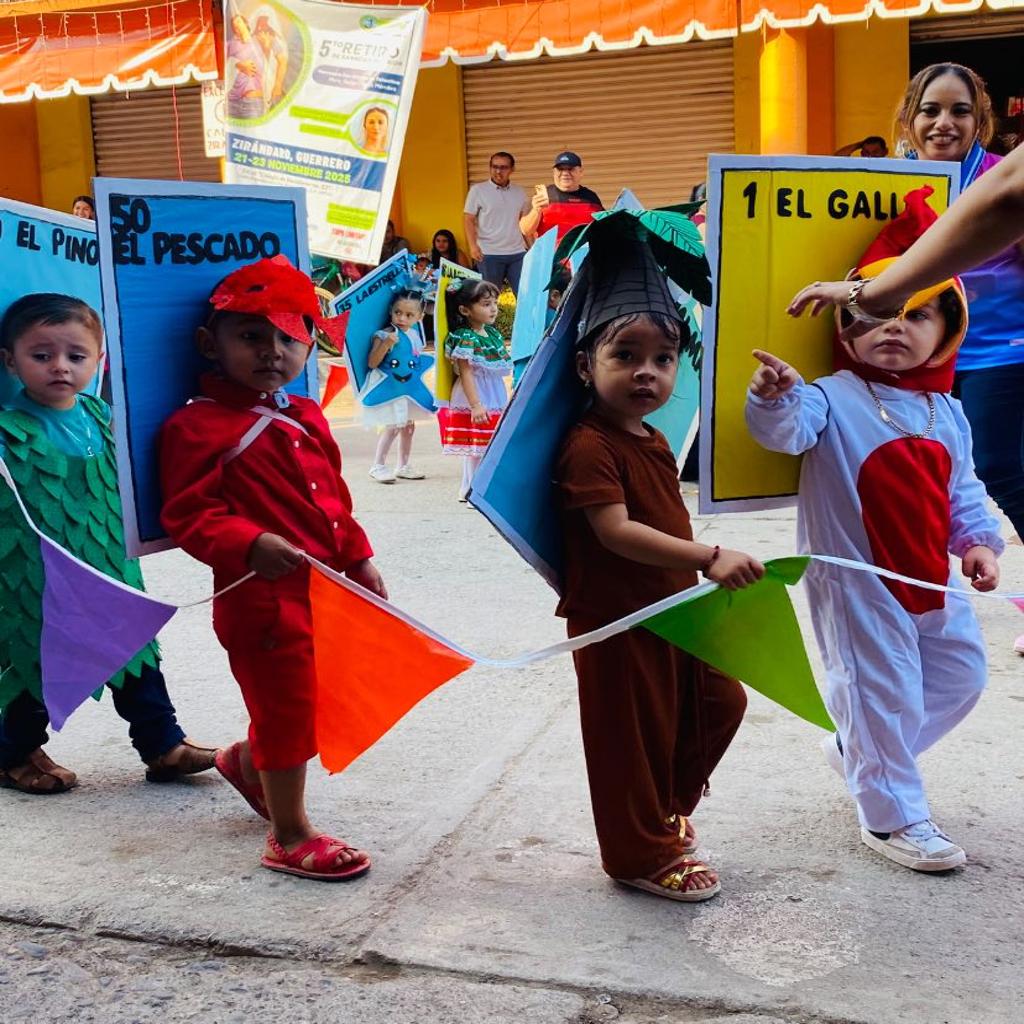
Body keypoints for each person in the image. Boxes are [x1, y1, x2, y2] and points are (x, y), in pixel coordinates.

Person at [750, 191, 1003, 871]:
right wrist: (773, 396)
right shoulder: (831, 396)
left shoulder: (946, 411)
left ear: (947, 330)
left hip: (932, 579)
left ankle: (861, 754)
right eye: (877, 313)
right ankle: (892, 818)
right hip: (858, 584)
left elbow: (962, 489)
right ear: (845, 326)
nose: (894, 326)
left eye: (916, 315)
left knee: (961, 675)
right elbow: (786, 431)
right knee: (878, 691)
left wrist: (978, 542)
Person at [555, 224, 762, 902]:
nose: (647, 371)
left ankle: (664, 812)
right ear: (585, 366)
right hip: (618, 618)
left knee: (716, 703)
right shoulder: (589, 445)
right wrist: (709, 557)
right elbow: (615, 531)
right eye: (625, 354)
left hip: (673, 609)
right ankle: (638, 853)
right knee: (630, 737)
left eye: (664, 358)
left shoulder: (653, 438)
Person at [160, 255, 384, 881]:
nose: (273, 352)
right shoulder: (196, 426)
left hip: (325, 591)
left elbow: (335, 499)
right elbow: (189, 513)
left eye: (290, 338)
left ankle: (247, 764)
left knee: (310, 699)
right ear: (210, 344)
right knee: (287, 709)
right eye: (252, 336)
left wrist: (359, 556)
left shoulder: (306, 414)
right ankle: (289, 835)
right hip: (258, 598)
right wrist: (249, 541)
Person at [790, 64, 1024, 655]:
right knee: (925, 472)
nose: (945, 123)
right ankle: (928, 587)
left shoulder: (999, 179)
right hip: (914, 358)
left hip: (999, 349)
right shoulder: (889, 185)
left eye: (960, 111)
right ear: (908, 119)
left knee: (1000, 467)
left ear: (980, 121)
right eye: (931, 110)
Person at [0, 294, 216, 794]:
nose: (60, 366)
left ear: (98, 361)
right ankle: (12, 752)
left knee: (135, 649)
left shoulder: (102, 415)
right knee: (41, 660)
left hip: (108, 563)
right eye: (41, 355)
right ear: (10, 361)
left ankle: (162, 742)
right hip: (35, 576)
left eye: (75, 356)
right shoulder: (7, 431)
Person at [440, 279, 511, 501]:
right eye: (486, 304)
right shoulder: (465, 337)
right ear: (465, 310)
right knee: (476, 445)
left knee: (483, 443)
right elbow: (466, 372)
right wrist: (475, 404)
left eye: (495, 303)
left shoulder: (491, 334)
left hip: (492, 391)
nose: (493, 309)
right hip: (475, 392)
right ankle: (473, 491)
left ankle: (470, 487)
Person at [363, 289, 434, 483]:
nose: (402, 318)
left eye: (409, 315)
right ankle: (378, 465)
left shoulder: (414, 334)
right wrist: (386, 344)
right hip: (389, 387)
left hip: (408, 387)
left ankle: (403, 465)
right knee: (393, 425)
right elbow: (372, 362)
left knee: (408, 426)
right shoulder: (383, 335)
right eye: (398, 312)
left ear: (419, 316)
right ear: (390, 311)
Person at [463, 152, 530, 295]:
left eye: (504, 167)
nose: (498, 171)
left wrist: (531, 247)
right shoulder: (478, 190)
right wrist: (473, 246)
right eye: (494, 167)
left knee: (525, 295)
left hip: (517, 253)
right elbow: (468, 219)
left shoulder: (520, 192)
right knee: (490, 297)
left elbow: (524, 223)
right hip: (489, 253)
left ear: (512, 169)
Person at [519, 151, 604, 245]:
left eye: (570, 169)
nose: (565, 173)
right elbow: (526, 230)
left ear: (581, 172)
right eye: (560, 169)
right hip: (550, 253)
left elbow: (603, 228)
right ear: (554, 172)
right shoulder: (543, 196)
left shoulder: (591, 198)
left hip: (584, 253)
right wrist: (536, 210)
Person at [226, 14, 266, 120]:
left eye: (239, 22)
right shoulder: (230, 44)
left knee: (255, 130)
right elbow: (223, 66)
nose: (237, 26)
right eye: (234, 26)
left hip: (253, 100)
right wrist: (237, 64)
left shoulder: (259, 40)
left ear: (246, 23)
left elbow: (274, 59)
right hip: (232, 101)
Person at [253, 15, 288, 107]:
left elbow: (282, 61)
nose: (261, 29)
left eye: (264, 26)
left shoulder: (274, 40)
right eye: (259, 26)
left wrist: (278, 85)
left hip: (270, 76)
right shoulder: (253, 39)